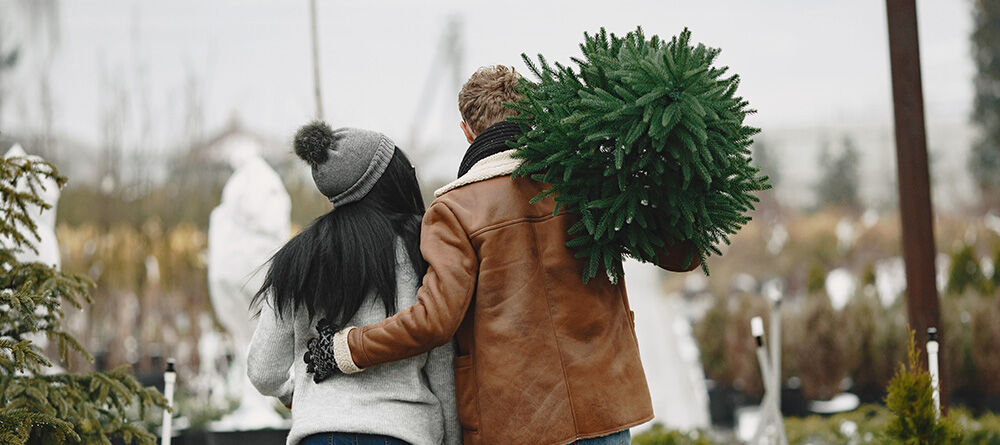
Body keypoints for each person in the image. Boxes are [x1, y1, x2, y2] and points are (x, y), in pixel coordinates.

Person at [304, 65, 700, 445]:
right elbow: (683, 257)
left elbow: (433, 322)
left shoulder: (454, 211)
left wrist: (346, 348)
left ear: (466, 131)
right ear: (531, 116)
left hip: (516, 423)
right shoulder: (585, 185)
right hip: (606, 409)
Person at [247, 124, 461, 445]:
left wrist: (299, 397)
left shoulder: (297, 260)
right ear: (386, 180)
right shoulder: (423, 250)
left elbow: (263, 371)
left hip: (319, 435)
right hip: (403, 433)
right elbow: (442, 363)